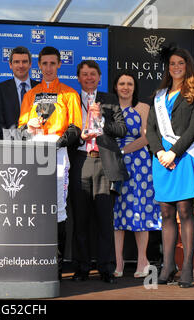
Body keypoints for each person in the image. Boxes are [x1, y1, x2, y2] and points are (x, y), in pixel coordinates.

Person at [146, 47, 194, 288]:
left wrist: (174, 151)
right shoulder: (159, 95)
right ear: (168, 67)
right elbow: (150, 129)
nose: (176, 67)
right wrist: (160, 152)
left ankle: (188, 268)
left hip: (183, 157)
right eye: (172, 63)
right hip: (161, 159)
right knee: (166, 213)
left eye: (180, 62)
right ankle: (168, 265)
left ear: (187, 64)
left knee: (184, 210)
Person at [18, 46, 82, 279]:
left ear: (59, 65)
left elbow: (76, 128)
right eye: (44, 64)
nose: (48, 68)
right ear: (39, 66)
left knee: (57, 208)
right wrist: (29, 128)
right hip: (33, 153)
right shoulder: (30, 95)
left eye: (52, 63)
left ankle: (55, 265)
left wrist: (57, 143)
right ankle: (34, 260)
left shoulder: (70, 94)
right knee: (33, 206)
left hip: (57, 153)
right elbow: (21, 129)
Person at [69, 60, 128, 284]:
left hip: (104, 163)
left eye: (93, 74)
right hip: (80, 161)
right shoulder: (71, 99)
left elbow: (122, 130)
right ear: (78, 78)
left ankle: (106, 268)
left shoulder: (110, 100)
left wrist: (102, 120)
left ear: (99, 77)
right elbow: (67, 131)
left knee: (105, 219)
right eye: (84, 74)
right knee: (80, 220)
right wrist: (79, 136)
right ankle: (81, 268)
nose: (89, 78)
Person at [111, 71, 161, 278]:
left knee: (140, 209)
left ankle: (142, 260)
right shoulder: (109, 108)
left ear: (134, 87)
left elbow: (147, 137)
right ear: (115, 87)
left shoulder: (143, 108)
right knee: (116, 212)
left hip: (138, 164)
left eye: (129, 83)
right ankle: (118, 262)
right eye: (121, 83)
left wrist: (123, 151)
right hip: (113, 163)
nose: (125, 87)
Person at [0, 46, 39, 137]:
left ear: (30, 64)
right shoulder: (0, 89)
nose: (21, 66)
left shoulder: (41, 88)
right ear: (10, 65)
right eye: (16, 62)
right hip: (10, 146)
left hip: (37, 144)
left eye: (24, 62)